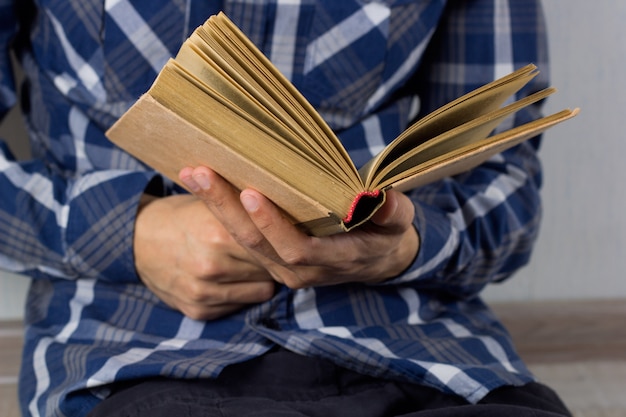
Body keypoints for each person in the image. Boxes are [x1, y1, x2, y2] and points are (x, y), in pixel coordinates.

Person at [0, 0, 572, 416]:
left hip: (421, 354)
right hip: (138, 356)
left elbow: (504, 181)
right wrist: (130, 232)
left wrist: (407, 244)